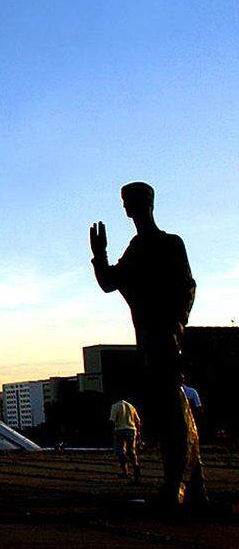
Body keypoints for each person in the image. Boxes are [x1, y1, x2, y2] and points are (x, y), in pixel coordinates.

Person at [91, 182, 207, 507]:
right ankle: (195, 487)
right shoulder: (136, 248)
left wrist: (176, 325)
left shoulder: (170, 243)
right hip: (148, 338)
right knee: (172, 409)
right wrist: (99, 255)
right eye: (126, 202)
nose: (128, 207)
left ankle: (176, 487)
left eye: (133, 201)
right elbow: (110, 282)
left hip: (164, 338)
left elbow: (188, 287)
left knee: (171, 410)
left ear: (148, 203)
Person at [110, 399, 141, 482]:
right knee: (132, 451)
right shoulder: (131, 406)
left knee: (120, 451)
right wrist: (138, 432)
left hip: (120, 430)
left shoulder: (115, 406)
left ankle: (125, 471)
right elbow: (138, 420)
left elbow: (112, 420)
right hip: (131, 429)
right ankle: (136, 468)